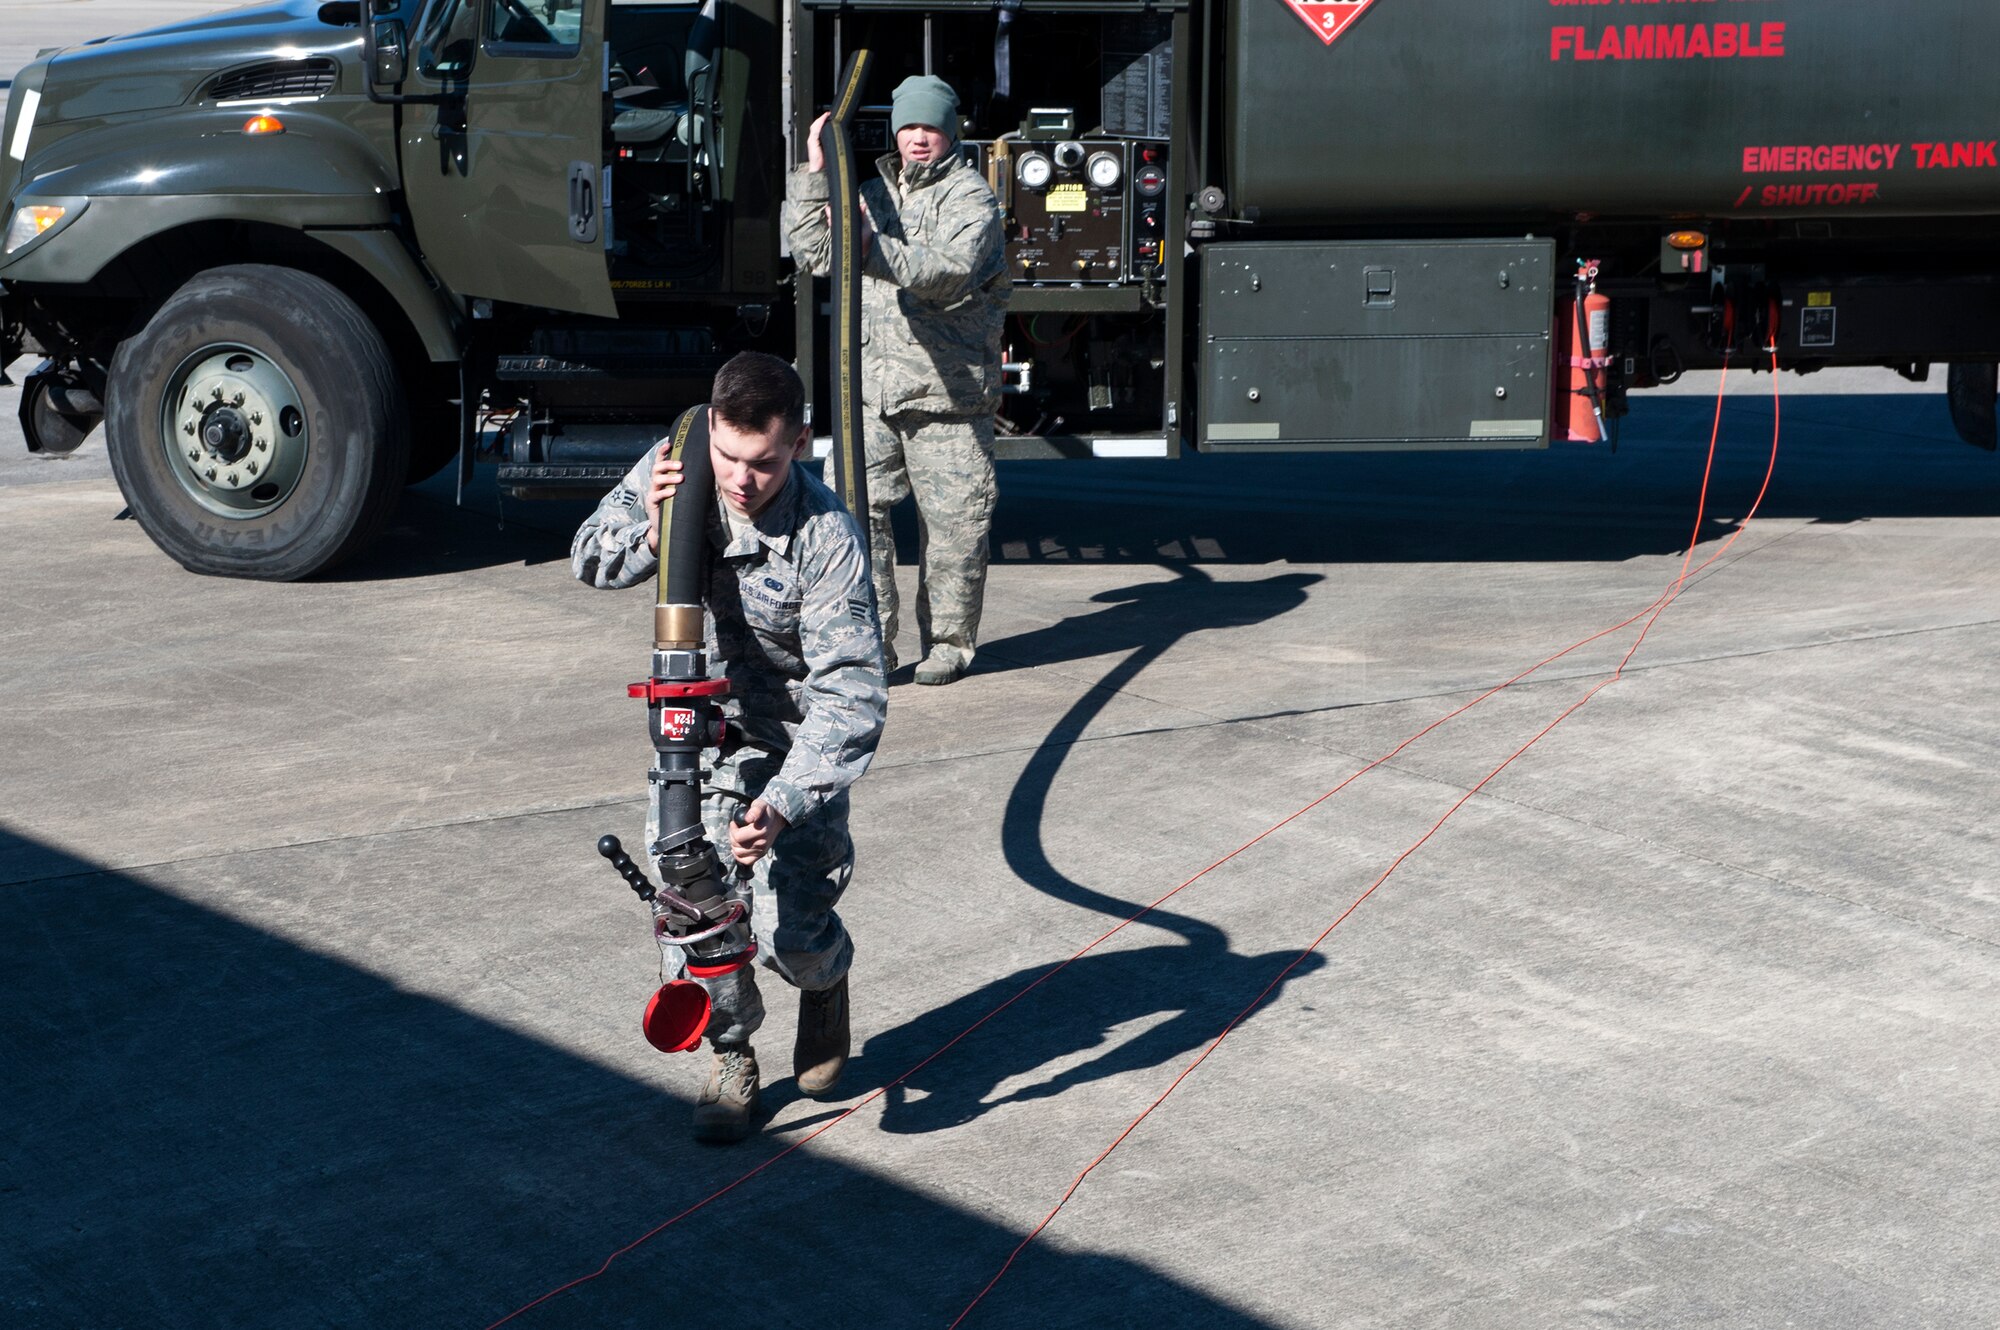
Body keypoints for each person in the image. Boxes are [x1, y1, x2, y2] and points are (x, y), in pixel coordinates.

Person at [573, 351, 888, 1143]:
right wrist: (651, 529)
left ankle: (826, 980)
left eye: (765, 463)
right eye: (730, 458)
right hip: (697, 736)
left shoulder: (827, 536)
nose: (742, 480)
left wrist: (781, 806)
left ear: (801, 443)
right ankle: (732, 1055)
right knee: (694, 916)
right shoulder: (676, 467)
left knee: (790, 932)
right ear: (711, 426)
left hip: (793, 751)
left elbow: (852, 699)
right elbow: (588, 554)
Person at [785, 73, 1009, 686]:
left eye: (930, 127)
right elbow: (815, 255)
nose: (917, 137)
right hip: (872, 396)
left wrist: (870, 245)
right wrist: (812, 174)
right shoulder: (870, 194)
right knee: (857, 525)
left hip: (948, 399)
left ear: (950, 133)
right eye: (908, 125)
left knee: (956, 531)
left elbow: (947, 274)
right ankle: (871, 646)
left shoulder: (972, 200)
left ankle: (949, 645)